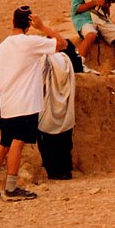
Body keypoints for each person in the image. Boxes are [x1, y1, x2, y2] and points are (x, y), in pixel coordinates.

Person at [0, 6, 67, 201]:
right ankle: (11, 188)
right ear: (29, 23)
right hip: (25, 102)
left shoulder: (3, 46)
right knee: (17, 143)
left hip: (8, 102)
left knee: (4, 144)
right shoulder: (29, 43)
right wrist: (43, 26)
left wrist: (12, 75)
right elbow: (62, 44)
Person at [37, 41, 77, 180]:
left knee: (48, 139)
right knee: (64, 139)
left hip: (48, 105)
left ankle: (52, 171)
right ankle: (65, 170)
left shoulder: (45, 59)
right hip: (65, 106)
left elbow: (39, 81)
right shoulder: (67, 60)